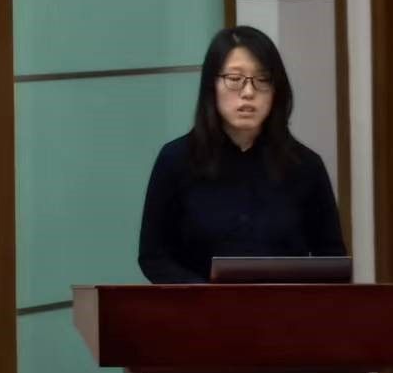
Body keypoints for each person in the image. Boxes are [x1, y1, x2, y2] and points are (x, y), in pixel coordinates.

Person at [137, 25, 346, 283]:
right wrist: (204, 295)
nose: (248, 92)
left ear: (277, 90)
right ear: (211, 85)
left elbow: (332, 260)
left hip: (285, 307)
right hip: (200, 306)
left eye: (262, 79)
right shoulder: (175, 160)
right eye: (234, 79)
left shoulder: (306, 166)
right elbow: (154, 257)